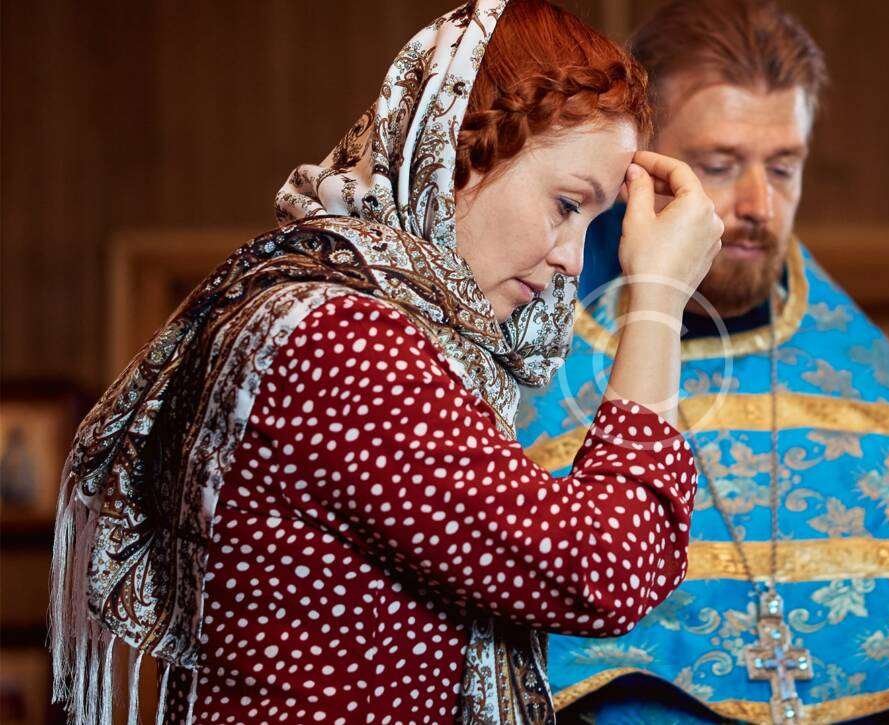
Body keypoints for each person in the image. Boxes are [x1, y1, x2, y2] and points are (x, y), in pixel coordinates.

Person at [47, 1, 724, 723]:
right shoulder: (344, 343)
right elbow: (604, 571)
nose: (573, 260)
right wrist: (657, 301)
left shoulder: (334, 314)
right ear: (456, 152)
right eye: (566, 204)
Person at [516, 1, 889, 722]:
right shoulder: (532, 362)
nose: (758, 204)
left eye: (784, 167)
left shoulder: (872, 394)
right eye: (719, 165)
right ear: (636, 164)